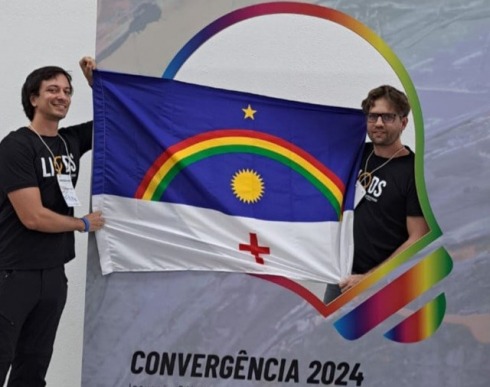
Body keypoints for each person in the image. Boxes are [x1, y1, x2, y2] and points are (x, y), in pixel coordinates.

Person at [0, 57, 104, 386]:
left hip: (53, 275)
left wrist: (94, 84)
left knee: (34, 365)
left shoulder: (68, 142)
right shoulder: (16, 146)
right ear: (33, 98)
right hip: (14, 274)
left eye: (68, 91)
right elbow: (32, 217)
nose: (62, 96)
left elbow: (115, 121)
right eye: (52, 90)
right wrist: (82, 224)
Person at [324, 85, 429, 303]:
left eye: (388, 117)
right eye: (373, 116)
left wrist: (371, 278)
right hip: (340, 275)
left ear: (404, 122)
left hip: (382, 285)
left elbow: (419, 236)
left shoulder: (414, 171)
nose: (379, 123)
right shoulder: (359, 153)